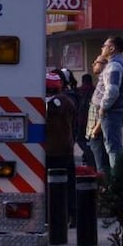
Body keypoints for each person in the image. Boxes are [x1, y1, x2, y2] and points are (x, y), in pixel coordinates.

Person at [95, 35, 123, 174]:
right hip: (120, 108)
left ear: (111, 48)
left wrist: (103, 107)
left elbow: (112, 90)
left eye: (104, 45)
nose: (102, 48)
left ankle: (117, 180)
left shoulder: (114, 65)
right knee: (114, 144)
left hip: (112, 111)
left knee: (112, 147)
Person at [45, 71, 77, 225]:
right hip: (66, 150)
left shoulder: (46, 104)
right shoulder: (69, 101)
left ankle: (52, 216)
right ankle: (73, 215)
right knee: (69, 185)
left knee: (49, 187)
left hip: (49, 152)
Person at [86, 55, 109, 175]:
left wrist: (96, 129)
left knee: (102, 166)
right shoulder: (100, 81)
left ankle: (105, 189)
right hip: (94, 131)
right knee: (98, 164)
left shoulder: (105, 82)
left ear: (105, 65)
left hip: (99, 132)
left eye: (96, 62)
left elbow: (105, 108)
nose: (93, 64)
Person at [75, 71, 97, 167]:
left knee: (80, 140)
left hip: (80, 120)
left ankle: (87, 154)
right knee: (91, 140)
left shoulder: (78, 91)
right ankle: (88, 155)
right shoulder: (95, 90)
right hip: (93, 121)